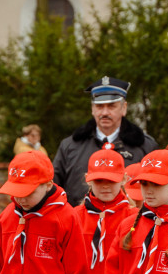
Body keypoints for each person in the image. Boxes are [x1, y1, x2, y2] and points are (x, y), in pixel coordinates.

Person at [53, 76, 158, 206]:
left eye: (111, 106)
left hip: (131, 222)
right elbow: (54, 190)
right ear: (92, 109)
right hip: (79, 223)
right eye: (99, 106)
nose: (105, 112)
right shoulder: (70, 146)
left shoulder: (145, 146)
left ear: (124, 108)